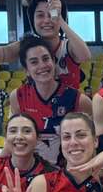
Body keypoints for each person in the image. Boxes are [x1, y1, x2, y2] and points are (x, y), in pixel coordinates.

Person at [0, 0, 90, 90]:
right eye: (40, 15)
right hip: (35, 109)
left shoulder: (69, 47)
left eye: (52, 15)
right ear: (32, 20)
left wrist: (59, 17)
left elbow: (85, 56)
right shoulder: (26, 47)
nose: (47, 20)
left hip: (70, 109)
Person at [9, 34, 92, 165]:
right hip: (31, 171)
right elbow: (15, 141)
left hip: (68, 171)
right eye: (34, 62)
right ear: (26, 70)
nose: (42, 65)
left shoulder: (79, 100)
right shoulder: (18, 97)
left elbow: (92, 143)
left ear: (53, 61)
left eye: (46, 59)